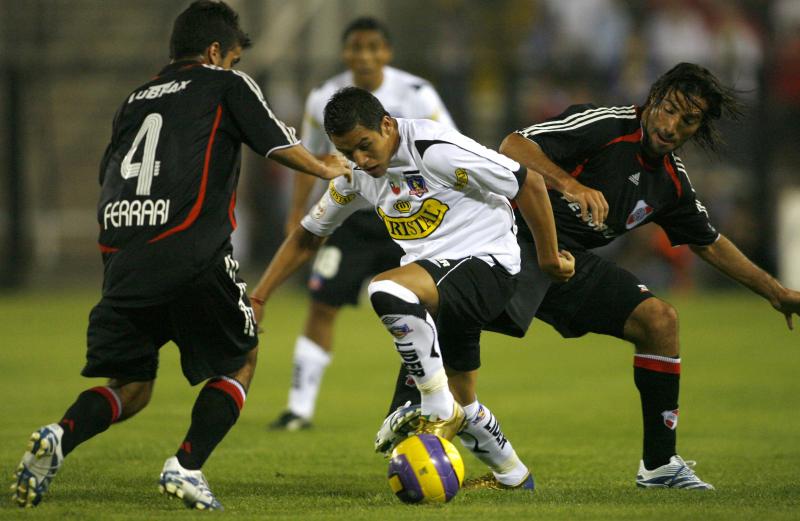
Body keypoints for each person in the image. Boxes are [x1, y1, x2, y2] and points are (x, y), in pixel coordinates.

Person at [379, 62, 800, 490]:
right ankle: (413, 413)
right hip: (503, 239)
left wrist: (776, 292)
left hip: (565, 262)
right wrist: (570, 185)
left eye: (688, 120)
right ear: (652, 99)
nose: (672, 126)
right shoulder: (607, 126)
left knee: (659, 321)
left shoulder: (670, 183)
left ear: (698, 128)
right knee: (451, 326)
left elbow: (708, 242)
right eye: (669, 109)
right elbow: (513, 146)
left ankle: (659, 466)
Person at [11, 0, 348, 511]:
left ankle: (59, 436)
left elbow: (110, 178)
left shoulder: (134, 99)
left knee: (132, 386)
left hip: (125, 259)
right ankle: (186, 466)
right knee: (242, 357)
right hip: (192, 254)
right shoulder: (224, 84)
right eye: (233, 58)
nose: (234, 67)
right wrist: (325, 168)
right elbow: (275, 142)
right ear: (215, 52)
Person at [250, 86, 575, 489]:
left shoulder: (434, 149)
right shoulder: (356, 175)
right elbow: (308, 236)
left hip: (487, 266)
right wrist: (259, 296)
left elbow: (528, 183)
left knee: (387, 290)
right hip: (440, 281)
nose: (361, 160)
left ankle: (435, 406)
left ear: (387, 124)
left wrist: (548, 257)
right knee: (462, 396)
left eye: (366, 146)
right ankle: (513, 475)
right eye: (349, 152)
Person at [267, 17, 457, 432]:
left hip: (410, 219)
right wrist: (296, 215)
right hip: (352, 217)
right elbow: (310, 160)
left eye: (374, 47)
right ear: (345, 52)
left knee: (428, 309)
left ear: (387, 52)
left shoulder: (416, 93)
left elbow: (447, 147)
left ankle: (430, 401)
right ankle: (299, 409)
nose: (365, 55)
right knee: (322, 303)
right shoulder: (323, 98)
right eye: (357, 47)